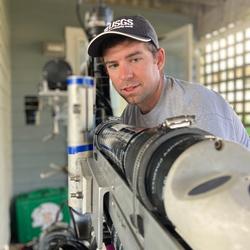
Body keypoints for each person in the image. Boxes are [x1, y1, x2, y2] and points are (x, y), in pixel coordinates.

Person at [87, 15, 250, 149]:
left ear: (158, 60)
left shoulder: (198, 110)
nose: (125, 75)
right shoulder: (131, 113)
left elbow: (216, 183)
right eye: (114, 65)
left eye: (135, 59)